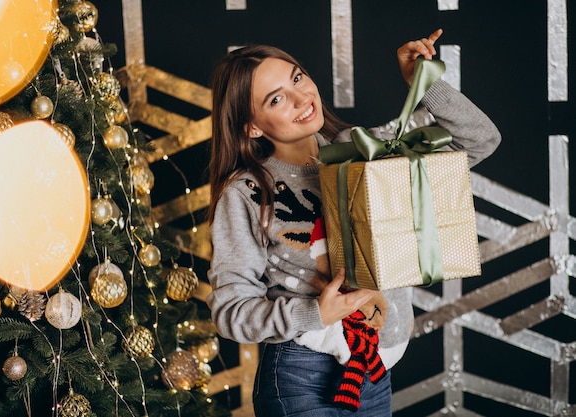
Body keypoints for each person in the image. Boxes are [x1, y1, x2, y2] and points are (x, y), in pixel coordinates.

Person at [206, 29, 501, 416]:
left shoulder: (366, 151)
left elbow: (480, 139)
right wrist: (316, 314)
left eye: (297, 78)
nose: (301, 99)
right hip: (302, 376)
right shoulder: (247, 191)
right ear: (251, 126)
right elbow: (229, 310)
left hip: (375, 372)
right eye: (276, 99)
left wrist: (422, 83)